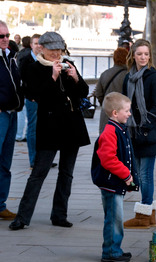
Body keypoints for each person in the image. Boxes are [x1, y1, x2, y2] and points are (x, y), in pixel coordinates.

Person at [9, 31, 90, 230]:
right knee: (39, 172)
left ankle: (59, 214)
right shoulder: (33, 68)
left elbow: (84, 93)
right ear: (42, 49)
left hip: (71, 126)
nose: (56, 54)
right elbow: (37, 95)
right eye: (52, 50)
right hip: (50, 127)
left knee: (67, 173)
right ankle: (22, 217)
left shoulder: (68, 64)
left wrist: (75, 78)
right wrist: (53, 77)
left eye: (59, 49)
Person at [91, 92, 139, 262]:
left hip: (115, 182)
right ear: (115, 113)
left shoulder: (118, 128)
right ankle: (111, 252)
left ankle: (114, 248)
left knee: (116, 218)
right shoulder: (110, 132)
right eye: (126, 110)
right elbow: (108, 159)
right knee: (113, 218)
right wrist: (126, 175)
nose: (129, 113)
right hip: (111, 183)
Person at [122, 39, 156, 229]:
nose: (143, 57)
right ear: (133, 55)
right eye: (140, 54)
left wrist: (145, 125)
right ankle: (150, 214)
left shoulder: (154, 76)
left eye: (146, 54)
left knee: (145, 174)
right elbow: (124, 105)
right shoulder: (128, 78)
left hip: (148, 132)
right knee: (137, 174)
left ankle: (144, 214)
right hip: (131, 132)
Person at [0, 21, 24, 221]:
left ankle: (0, 205)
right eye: (1, 36)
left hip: (12, 114)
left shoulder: (10, 57)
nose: (6, 39)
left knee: (5, 163)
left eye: (7, 35)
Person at [17, 33, 41, 168]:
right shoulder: (25, 60)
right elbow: (20, 80)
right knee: (32, 128)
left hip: (44, 100)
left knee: (42, 128)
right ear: (31, 45)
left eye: (40, 44)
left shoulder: (45, 59)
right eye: (36, 43)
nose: (38, 46)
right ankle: (33, 159)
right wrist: (28, 95)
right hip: (32, 99)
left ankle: (41, 158)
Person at [95, 47, 128, 134]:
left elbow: (98, 93)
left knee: (106, 140)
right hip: (124, 114)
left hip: (107, 114)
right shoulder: (129, 75)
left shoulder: (105, 74)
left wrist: (106, 104)